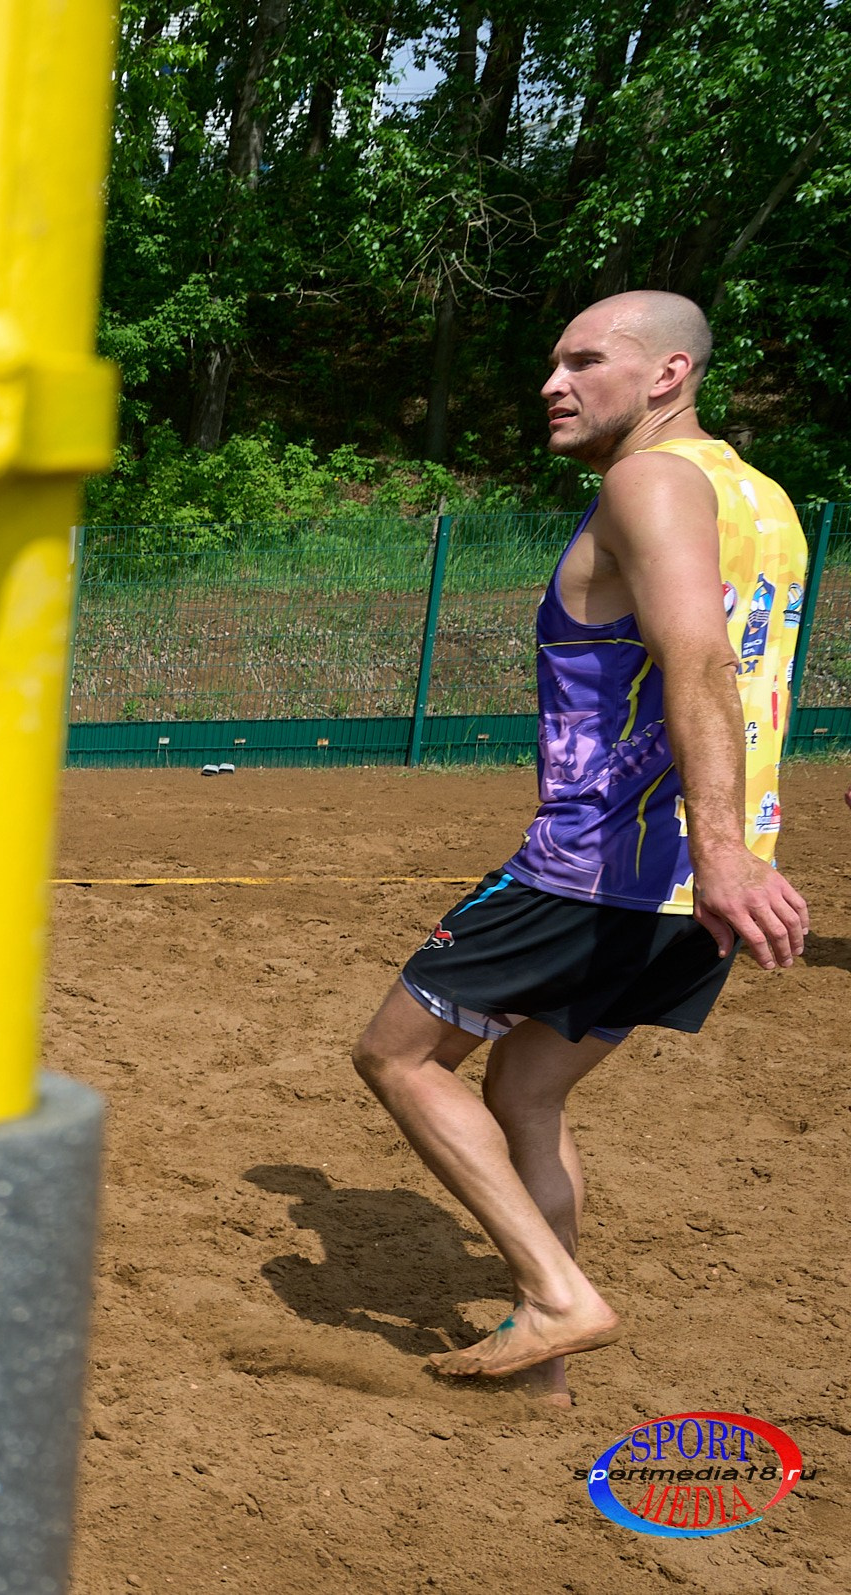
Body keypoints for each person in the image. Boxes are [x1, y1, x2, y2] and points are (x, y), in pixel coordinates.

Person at [349, 291, 809, 1405]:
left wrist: (721, 856)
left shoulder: (647, 480)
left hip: (606, 865)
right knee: (528, 1091)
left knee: (397, 1055)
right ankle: (542, 1366)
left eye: (582, 360)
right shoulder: (763, 497)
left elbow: (696, 659)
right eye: (551, 361)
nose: (551, 383)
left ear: (666, 375)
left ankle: (557, 1294)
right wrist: (733, 855)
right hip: (690, 891)